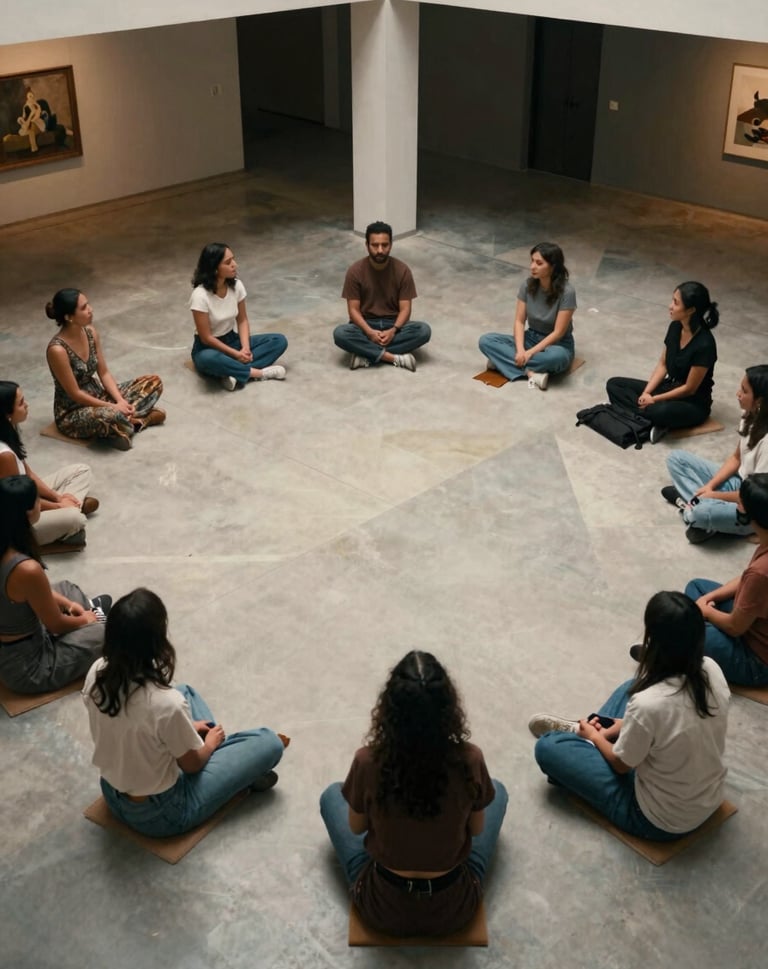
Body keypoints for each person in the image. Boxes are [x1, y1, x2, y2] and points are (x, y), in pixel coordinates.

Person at [320, 650, 507, 937]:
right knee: (497, 791)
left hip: (382, 908)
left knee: (332, 795)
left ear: (389, 710)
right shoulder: (470, 760)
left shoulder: (367, 761)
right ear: (449, 708)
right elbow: (477, 828)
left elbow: (356, 828)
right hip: (454, 909)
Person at [82, 587, 287, 837]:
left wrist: (186, 729)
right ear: (157, 642)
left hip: (112, 792)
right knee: (269, 742)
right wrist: (209, 745)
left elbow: (130, 724)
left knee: (185, 691)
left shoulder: (97, 670)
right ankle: (235, 769)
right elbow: (192, 766)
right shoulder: (165, 703)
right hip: (160, 812)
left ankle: (227, 763)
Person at [530, 591, 729, 841]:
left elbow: (622, 765)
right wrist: (622, 725)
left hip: (658, 819)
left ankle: (586, 739)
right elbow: (677, 722)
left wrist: (597, 736)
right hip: (708, 797)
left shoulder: (649, 704)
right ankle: (594, 737)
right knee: (630, 689)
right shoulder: (711, 668)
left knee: (547, 747)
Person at [0, 476, 109, 694]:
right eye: (38, 501)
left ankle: (90, 618)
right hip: (27, 665)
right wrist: (84, 620)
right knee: (106, 633)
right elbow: (56, 625)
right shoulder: (26, 569)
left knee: (66, 589)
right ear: (29, 512)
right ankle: (95, 621)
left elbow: (39, 594)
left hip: (18, 636)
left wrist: (68, 605)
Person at [45, 289, 164, 450]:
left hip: (99, 395)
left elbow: (104, 373)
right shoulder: (57, 350)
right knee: (110, 415)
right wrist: (112, 407)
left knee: (153, 382)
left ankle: (125, 426)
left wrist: (120, 401)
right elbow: (75, 393)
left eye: (88, 304)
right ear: (68, 317)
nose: (90, 309)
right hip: (74, 410)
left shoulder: (91, 332)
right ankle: (138, 420)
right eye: (84, 308)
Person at [662, 366, 768, 543]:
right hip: (740, 484)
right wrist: (709, 487)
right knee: (676, 459)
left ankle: (692, 509)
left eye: (744, 391)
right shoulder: (750, 414)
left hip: (753, 507)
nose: (738, 394)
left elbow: (756, 496)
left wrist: (714, 495)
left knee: (700, 513)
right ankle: (700, 509)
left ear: (759, 401)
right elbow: (736, 458)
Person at [606, 281, 719, 443]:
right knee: (614, 385)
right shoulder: (675, 327)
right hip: (669, 387)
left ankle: (642, 416)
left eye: (676, 303)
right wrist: (647, 393)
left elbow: (689, 389)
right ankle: (650, 420)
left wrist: (655, 399)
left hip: (692, 402)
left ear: (691, 310)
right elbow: (663, 364)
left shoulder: (705, 344)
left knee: (661, 411)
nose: (670, 306)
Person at [685, 474, 768, 686]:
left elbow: (735, 627)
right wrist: (709, 598)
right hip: (753, 624)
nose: (737, 506)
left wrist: (706, 611)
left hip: (758, 660)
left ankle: (672, 655)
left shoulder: (761, 572)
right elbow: (745, 579)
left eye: (741, 503)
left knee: (683, 628)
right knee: (697, 587)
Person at [0, 380, 99, 551]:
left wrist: (58, 498)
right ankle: (71, 512)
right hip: (15, 520)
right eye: (21, 403)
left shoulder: (7, 431)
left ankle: (69, 507)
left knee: (81, 470)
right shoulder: (4, 456)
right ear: (6, 414)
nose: (27, 405)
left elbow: (28, 473)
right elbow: (18, 503)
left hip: (28, 498)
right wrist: (59, 506)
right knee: (76, 519)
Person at [333, 221, 431, 372]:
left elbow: (405, 309)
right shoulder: (355, 271)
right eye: (375, 245)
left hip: (394, 325)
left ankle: (365, 354)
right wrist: (369, 332)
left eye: (385, 245)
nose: (380, 250)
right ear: (367, 245)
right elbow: (353, 310)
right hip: (365, 325)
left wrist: (393, 330)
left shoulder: (402, 270)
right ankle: (394, 358)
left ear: (391, 245)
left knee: (423, 331)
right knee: (340, 334)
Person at [190, 243, 288, 391]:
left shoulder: (237, 286)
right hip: (208, 347)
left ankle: (231, 373)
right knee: (208, 359)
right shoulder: (200, 295)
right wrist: (236, 354)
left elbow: (242, 320)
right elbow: (206, 338)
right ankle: (258, 373)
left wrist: (245, 348)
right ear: (215, 268)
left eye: (233, 259)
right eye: (228, 262)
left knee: (279, 341)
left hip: (232, 340)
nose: (234, 265)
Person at [479, 242, 576, 391]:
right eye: (532, 261)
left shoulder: (567, 292)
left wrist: (529, 353)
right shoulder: (527, 285)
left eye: (539, 263)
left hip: (557, 345)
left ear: (553, 266)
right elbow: (519, 321)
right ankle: (530, 373)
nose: (532, 267)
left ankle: (501, 362)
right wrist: (520, 351)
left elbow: (558, 333)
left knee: (556, 358)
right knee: (486, 340)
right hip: (530, 338)